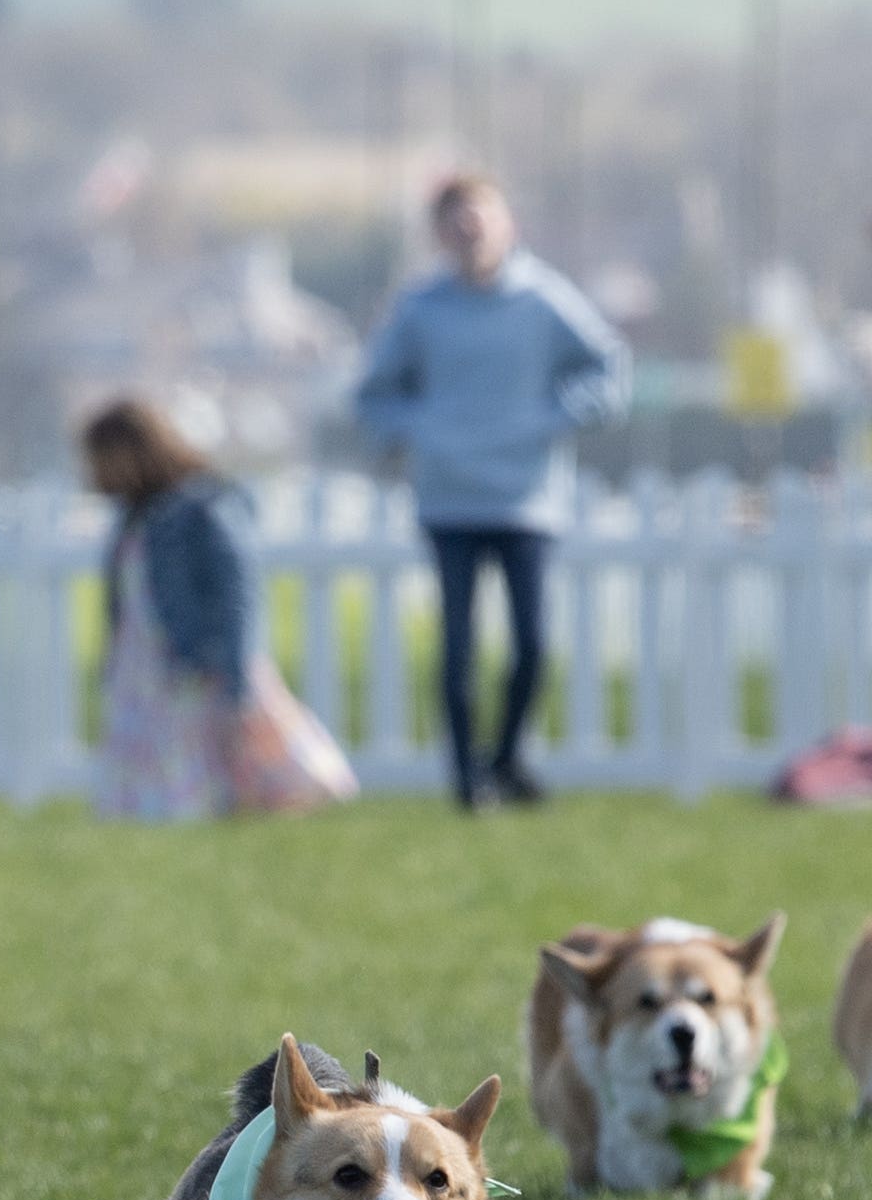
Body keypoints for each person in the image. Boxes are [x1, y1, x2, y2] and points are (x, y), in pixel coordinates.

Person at [356, 174, 630, 812]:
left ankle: (506, 757)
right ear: (439, 233)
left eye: (479, 217)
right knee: (457, 647)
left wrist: (555, 418)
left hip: (526, 499)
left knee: (532, 644)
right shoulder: (421, 310)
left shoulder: (543, 299)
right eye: (455, 220)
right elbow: (374, 395)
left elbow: (608, 367)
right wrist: (415, 429)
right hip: (449, 499)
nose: (469, 231)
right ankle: (466, 780)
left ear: (505, 222)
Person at [83, 399, 358, 822]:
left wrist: (235, 668)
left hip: (192, 661)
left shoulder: (201, 508)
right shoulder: (134, 518)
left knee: (220, 755)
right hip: (144, 669)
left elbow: (236, 594)